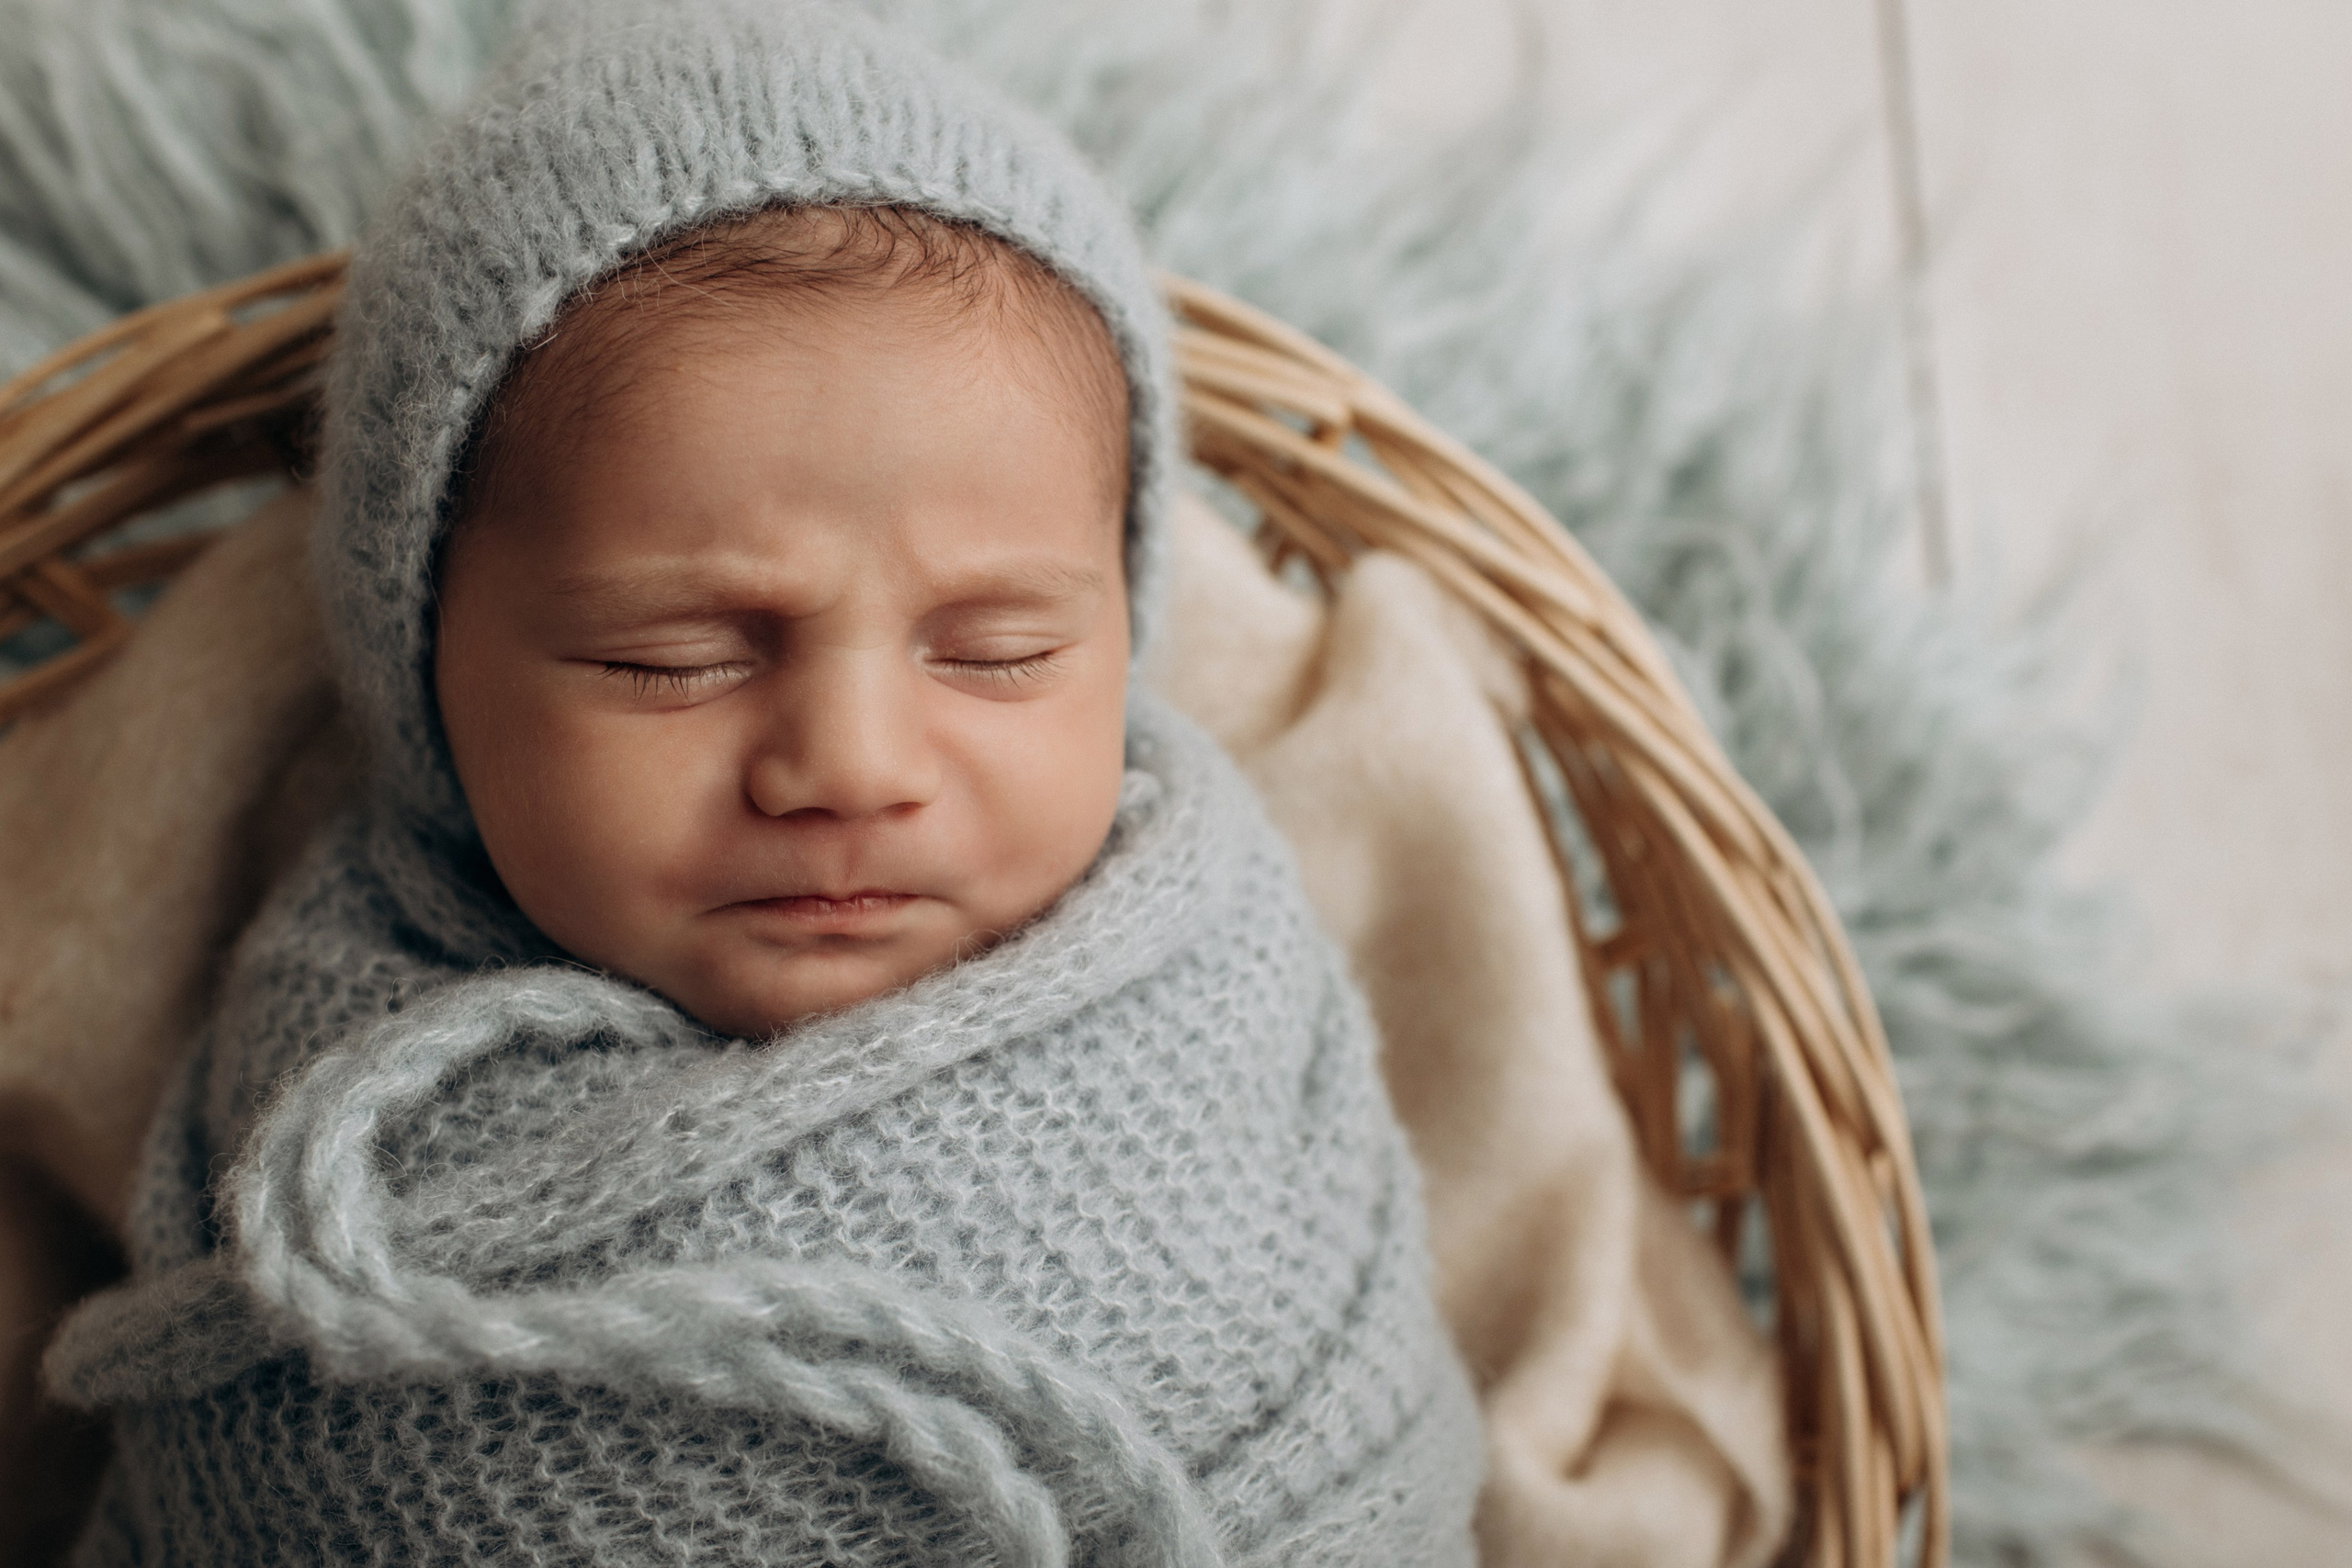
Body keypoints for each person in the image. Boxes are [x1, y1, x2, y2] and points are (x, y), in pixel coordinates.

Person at [40, 0, 1485, 1562]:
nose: (851, 766)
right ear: (423, 664)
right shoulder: (340, 1126)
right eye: (674, 658)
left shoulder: (1220, 988)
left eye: (997, 649)